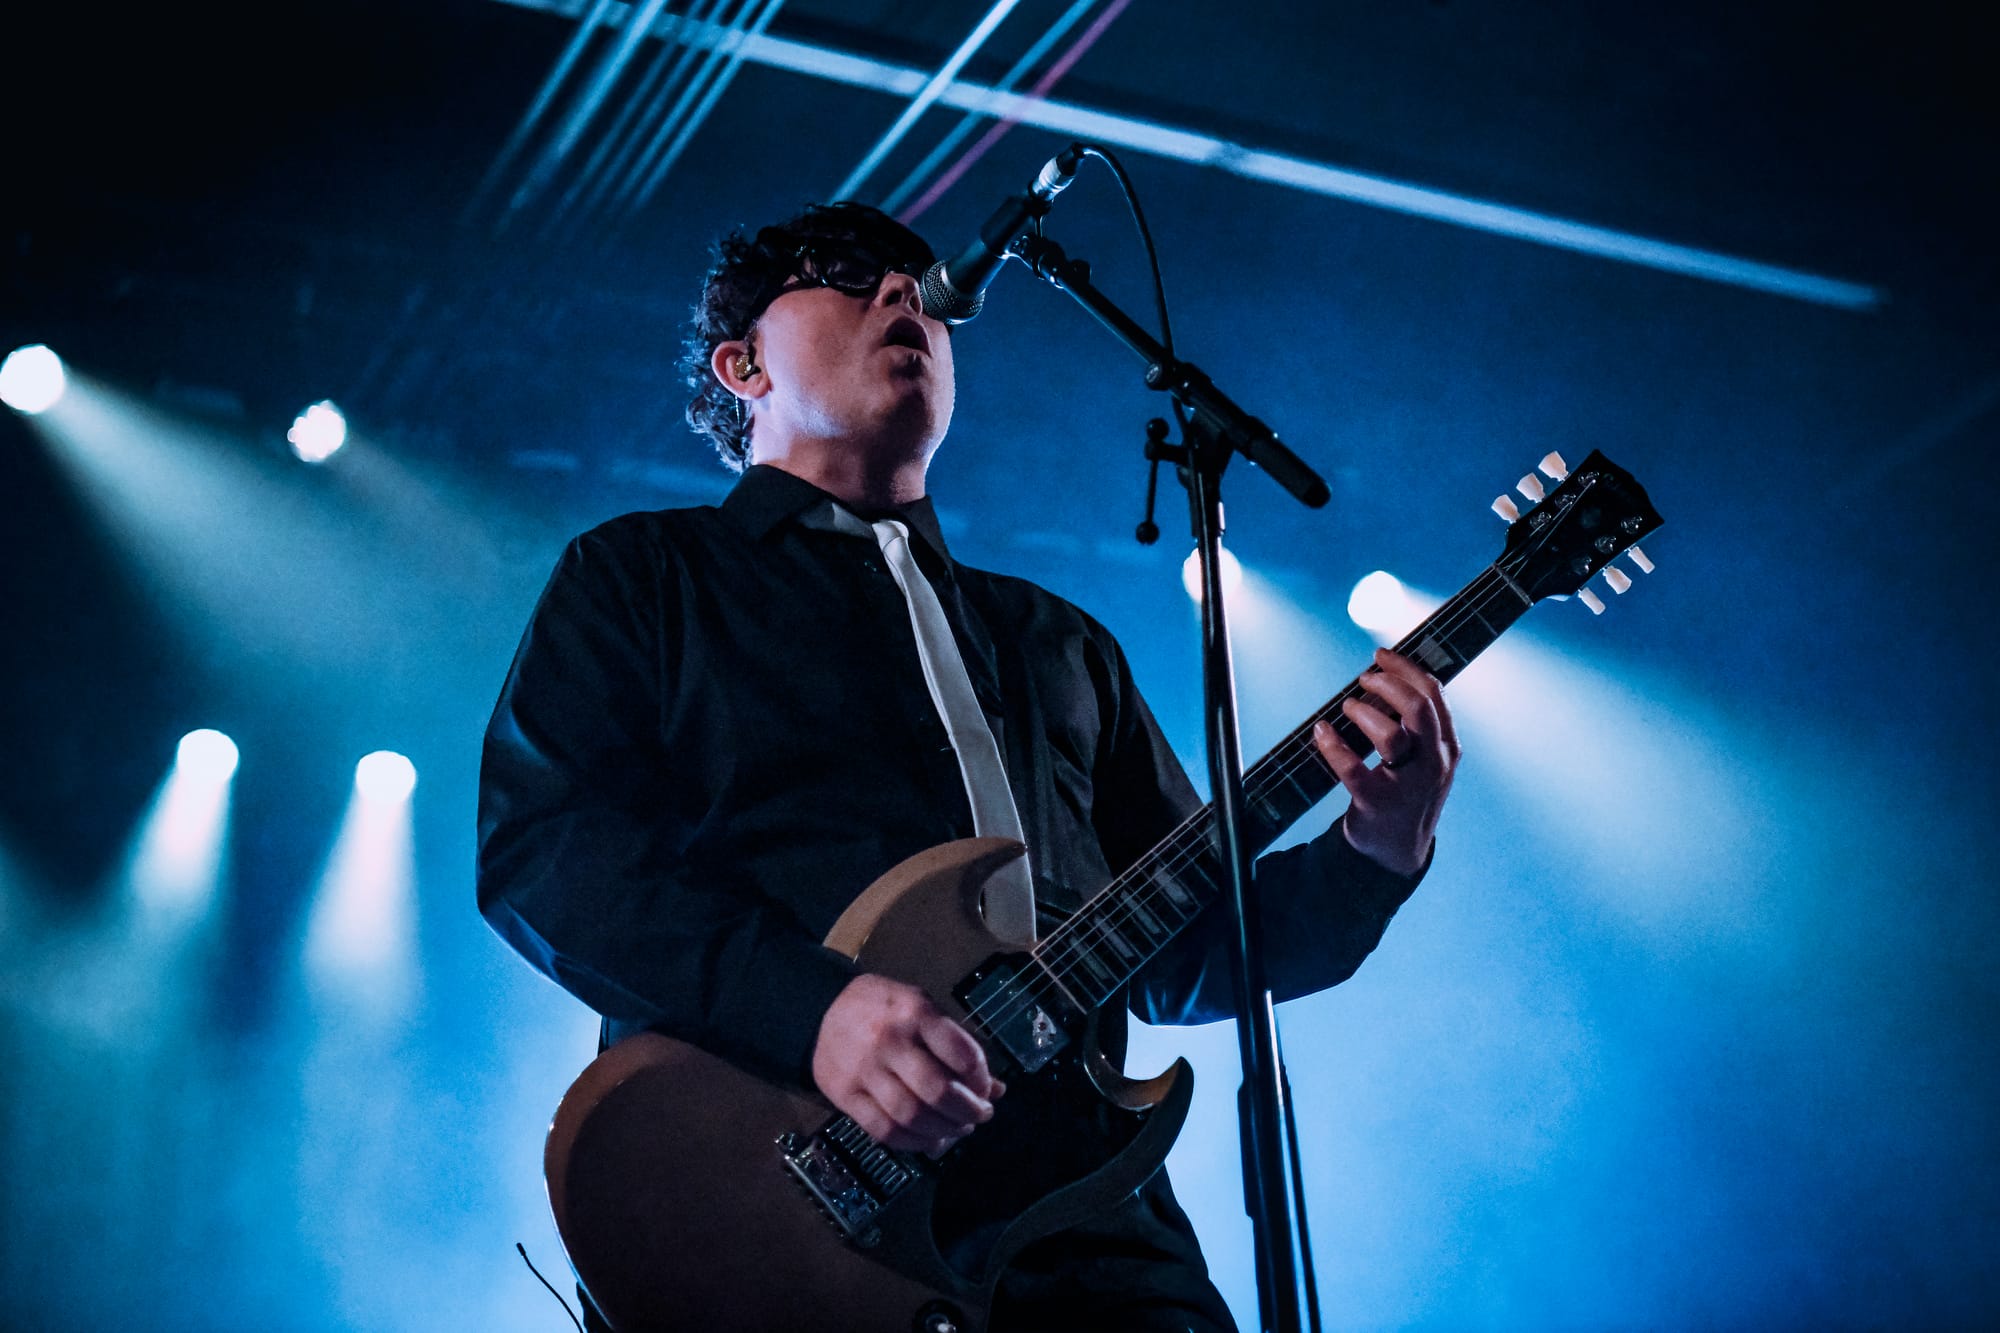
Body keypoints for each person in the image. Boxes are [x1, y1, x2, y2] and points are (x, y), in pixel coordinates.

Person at [476, 201, 1460, 1332]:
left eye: (915, 281)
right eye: (845, 273)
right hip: (792, 1235)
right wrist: (814, 1012)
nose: (906, 293)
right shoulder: (646, 577)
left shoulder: (1059, 643)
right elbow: (543, 853)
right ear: (742, 366)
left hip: (1094, 1235)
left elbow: (1187, 951)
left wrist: (1378, 848)